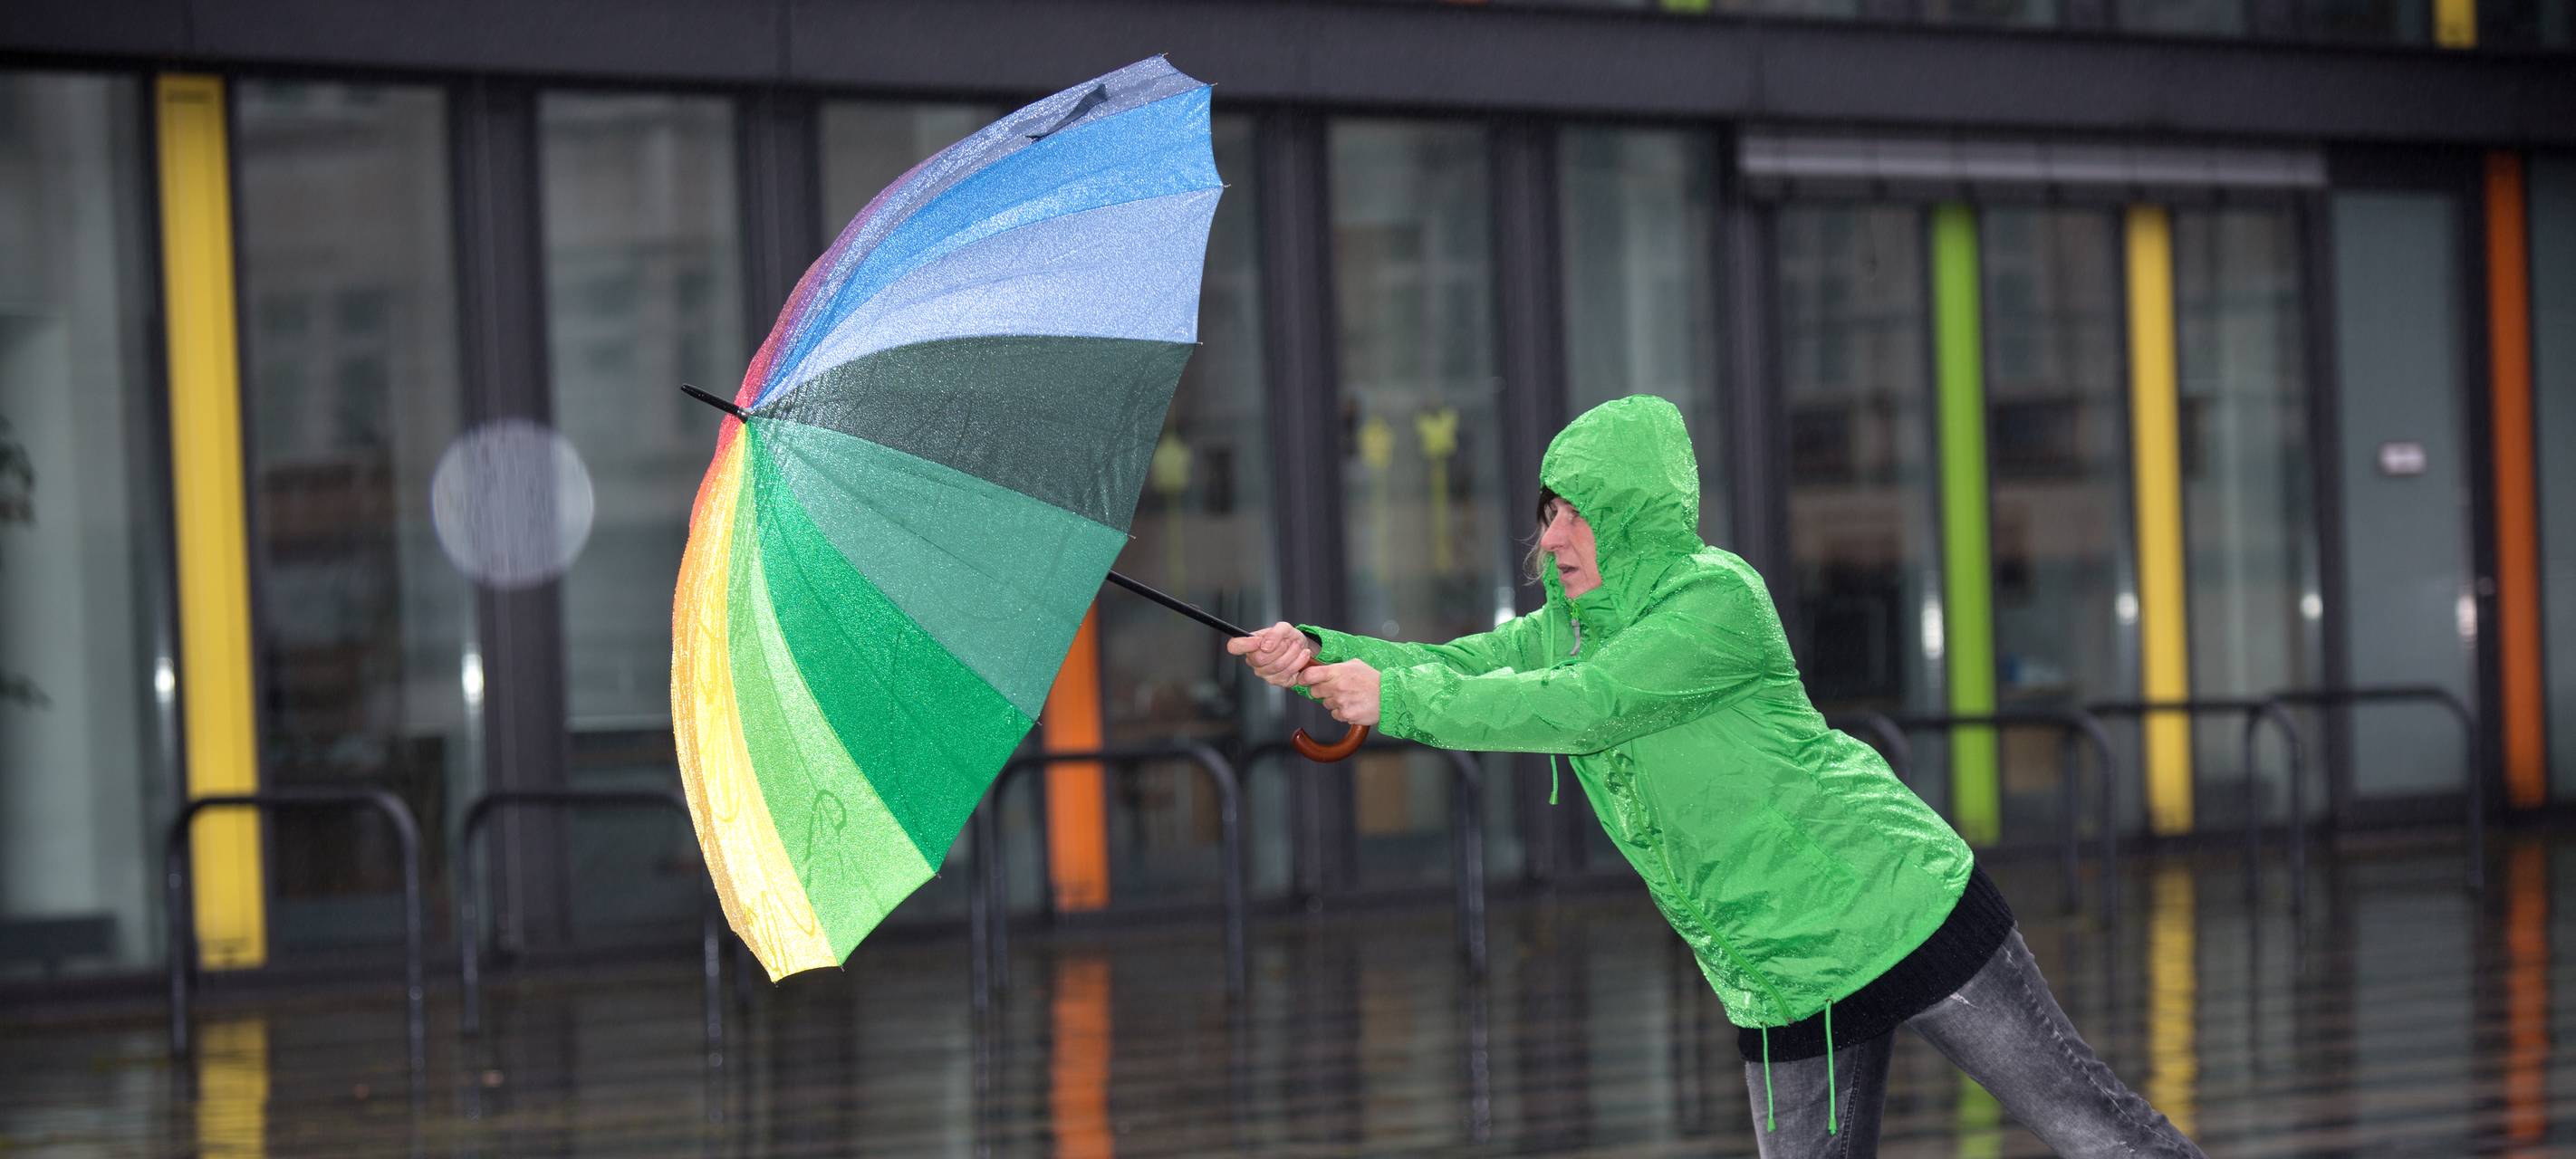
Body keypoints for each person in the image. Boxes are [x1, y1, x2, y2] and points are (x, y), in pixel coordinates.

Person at [1226, 395, 2203, 1159]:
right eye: (1549, 512)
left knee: (2094, 1127)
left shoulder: (1715, 599)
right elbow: (1461, 664)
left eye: (1577, 513)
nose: (1553, 536)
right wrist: (1315, 650)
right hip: (1778, 977)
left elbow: (1587, 704)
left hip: (1897, 910)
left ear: (1635, 514)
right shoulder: (1567, 626)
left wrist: (1388, 701)